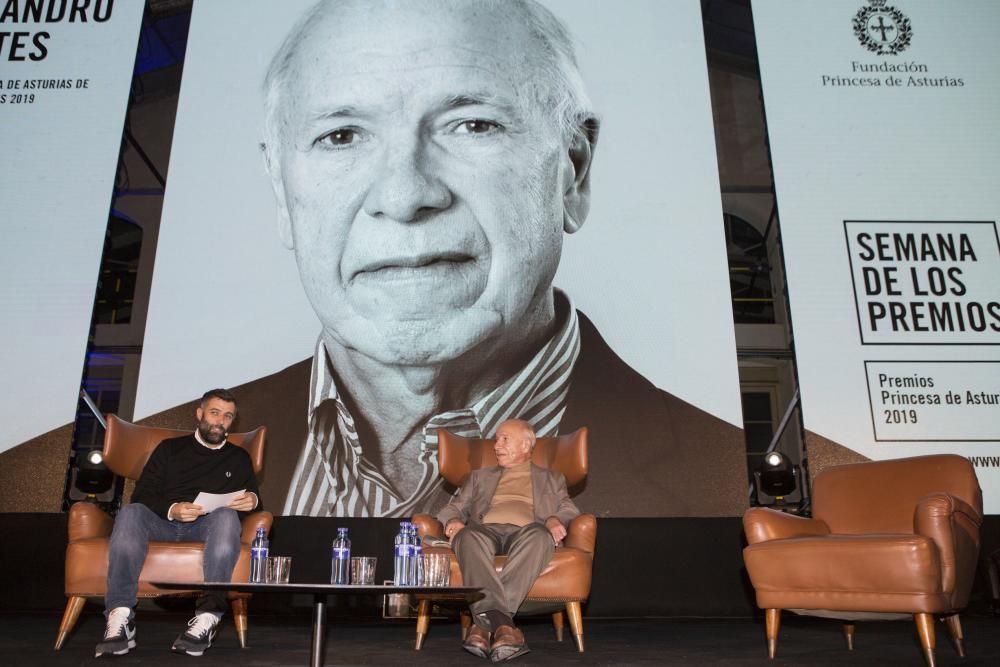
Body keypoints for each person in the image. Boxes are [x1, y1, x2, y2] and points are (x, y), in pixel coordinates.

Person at [147, 0, 746, 519]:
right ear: (282, 190)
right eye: (342, 135)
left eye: (472, 125)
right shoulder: (176, 441)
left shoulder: (712, 465)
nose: (404, 196)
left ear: (572, 171)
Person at [96, 389, 262, 658]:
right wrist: (173, 509)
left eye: (228, 416)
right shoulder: (169, 449)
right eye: (214, 413)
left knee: (226, 516)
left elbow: (255, 502)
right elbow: (142, 495)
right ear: (199, 414)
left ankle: (208, 616)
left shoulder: (239, 457)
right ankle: (120, 616)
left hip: (206, 527)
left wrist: (252, 500)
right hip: (161, 524)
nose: (220, 421)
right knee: (131, 512)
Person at [437, 419, 579, 662]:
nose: (496, 445)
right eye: (496, 440)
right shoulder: (479, 477)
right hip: (485, 531)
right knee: (467, 536)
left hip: (527, 531)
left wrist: (555, 518)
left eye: (504, 439)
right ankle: (504, 626)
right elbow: (452, 508)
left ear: (526, 445)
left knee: (540, 535)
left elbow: (569, 507)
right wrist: (454, 522)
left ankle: (483, 626)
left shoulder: (552, 478)